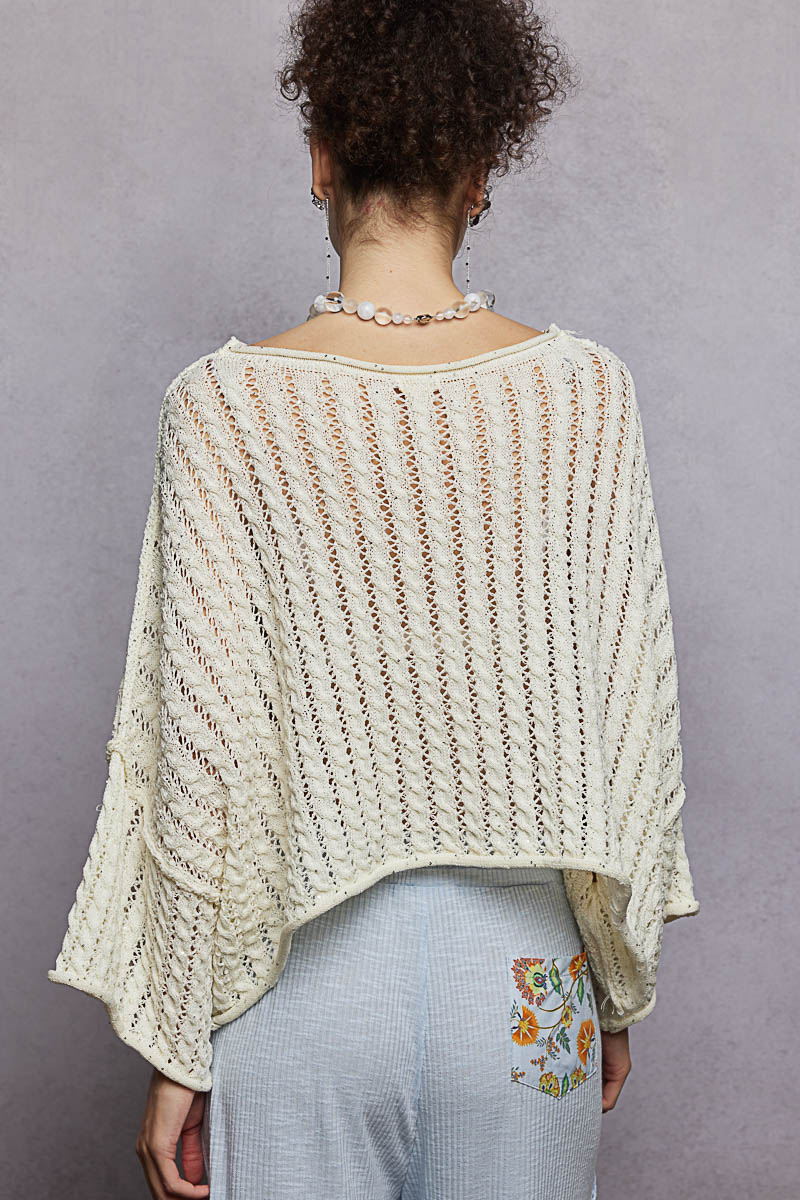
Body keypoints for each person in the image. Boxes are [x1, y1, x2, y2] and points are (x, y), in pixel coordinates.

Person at [47, 2, 701, 1198]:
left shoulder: (221, 408)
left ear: (320, 161)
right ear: (481, 171)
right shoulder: (582, 396)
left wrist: (177, 1045)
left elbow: (202, 761)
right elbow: (629, 731)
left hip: (298, 1000)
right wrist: (611, 986)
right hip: (522, 993)